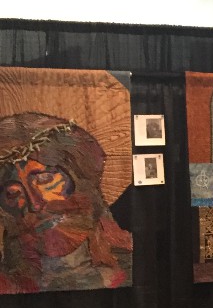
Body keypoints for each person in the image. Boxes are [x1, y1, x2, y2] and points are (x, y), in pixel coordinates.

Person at [0, 112, 132, 294]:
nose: (35, 204)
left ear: (79, 179)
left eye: (45, 179)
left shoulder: (135, 267)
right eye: (13, 194)